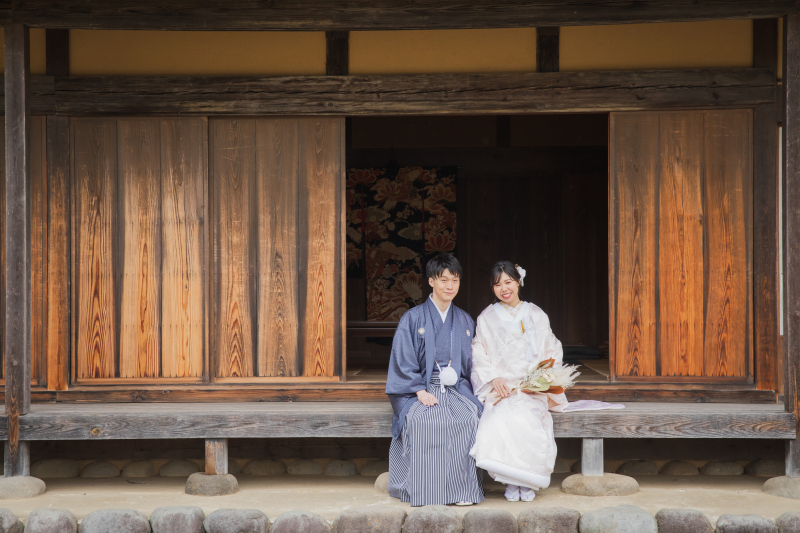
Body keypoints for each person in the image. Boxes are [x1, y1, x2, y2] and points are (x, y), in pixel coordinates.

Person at [385, 253, 484, 507]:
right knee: (422, 420)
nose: (449, 286)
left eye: (455, 280)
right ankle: (426, 491)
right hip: (420, 387)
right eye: (443, 280)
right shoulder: (413, 318)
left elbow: (471, 365)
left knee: (468, 419)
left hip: (456, 387)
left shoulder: (464, 319)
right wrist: (418, 390)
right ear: (431, 281)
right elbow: (403, 360)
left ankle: (462, 492)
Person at [469, 261, 568, 502]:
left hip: (530, 388)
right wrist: (494, 378)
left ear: (518, 282)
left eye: (508, 282)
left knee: (531, 421)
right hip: (502, 389)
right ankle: (512, 480)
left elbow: (551, 348)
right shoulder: (487, 317)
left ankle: (528, 479)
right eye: (497, 284)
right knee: (499, 419)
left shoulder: (536, 314)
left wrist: (539, 379)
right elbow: (478, 350)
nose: (504, 288)